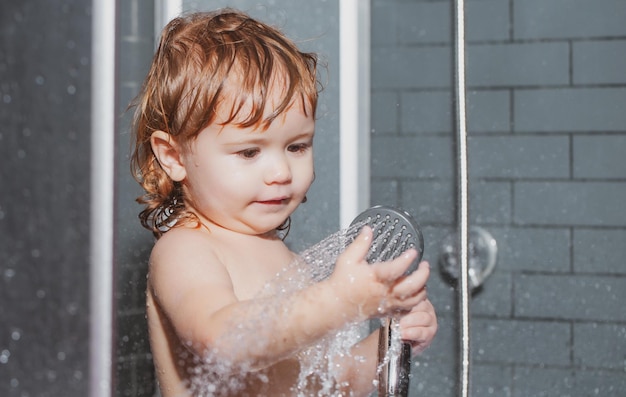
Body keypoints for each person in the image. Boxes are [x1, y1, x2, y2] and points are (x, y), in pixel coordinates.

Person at [130, 9, 437, 397]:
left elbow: (333, 381)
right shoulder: (186, 250)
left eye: (296, 146)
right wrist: (339, 300)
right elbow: (224, 341)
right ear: (173, 157)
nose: (280, 171)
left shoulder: (286, 262)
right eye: (248, 152)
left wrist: (389, 344)